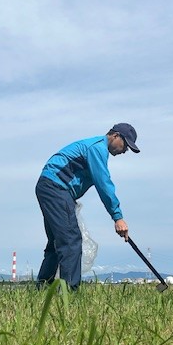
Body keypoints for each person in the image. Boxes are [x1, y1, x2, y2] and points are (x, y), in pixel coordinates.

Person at [35, 123, 140, 290]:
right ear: (115, 136)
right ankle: (69, 293)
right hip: (56, 188)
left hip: (50, 187)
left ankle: (42, 289)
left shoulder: (94, 146)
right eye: (125, 145)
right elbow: (104, 184)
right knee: (70, 240)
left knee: (57, 241)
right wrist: (117, 217)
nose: (125, 150)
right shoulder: (98, 149)